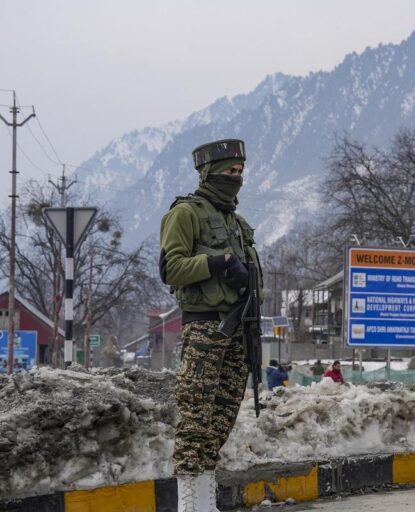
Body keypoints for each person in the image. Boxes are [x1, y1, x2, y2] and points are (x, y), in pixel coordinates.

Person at [159, 138, 263, 512]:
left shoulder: (237, 223)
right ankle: (189, 504)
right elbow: (171, 269)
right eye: (228, 172)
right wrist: (218, 263)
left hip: (238, 331)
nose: (235, 178)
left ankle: (206, 501)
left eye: (239, 171)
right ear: (208, 173)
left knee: (219, 421)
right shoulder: (185, 214)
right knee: (195, 419)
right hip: (205, 329)